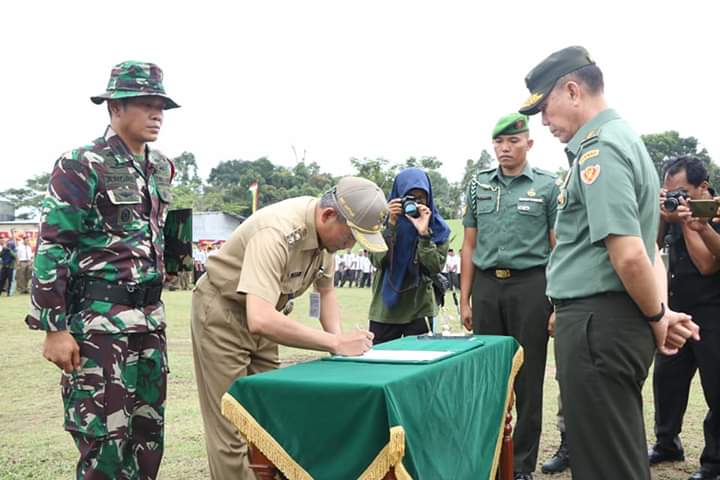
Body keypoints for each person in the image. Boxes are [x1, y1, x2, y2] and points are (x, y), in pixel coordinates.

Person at [519, 45, 699, 480]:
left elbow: (630, 252)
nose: (543, 121)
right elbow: (648, 248)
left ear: (573, 90)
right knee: (613, 452)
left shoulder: (601, 150)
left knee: (605, 465)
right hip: (608, 321)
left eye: (545, 107)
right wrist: (659, 314)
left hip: (599, 324)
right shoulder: (626, 141)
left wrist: (658, 314)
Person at [25, 61, 178, 479]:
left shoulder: (161, 167)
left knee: (148, 437)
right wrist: (54, 328)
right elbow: (55, 244)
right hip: (99, 326)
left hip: (150, 323)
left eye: (161, 105)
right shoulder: (81, 164)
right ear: (114, 108)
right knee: (104, 444)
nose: (157, 114)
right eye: (145, 104)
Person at [191, 176, 387, 479]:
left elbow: (327, 292)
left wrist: (339, 340)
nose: (350, 246)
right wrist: (333, 343)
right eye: (351, 237)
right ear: (328, 216)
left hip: (270, 318)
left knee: (269, 420)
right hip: (224, 316)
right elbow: (260, 318)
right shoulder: (278, 232)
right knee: (231, 424)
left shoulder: (327, 240)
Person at [460, 112, 558, 479]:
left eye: (513, 141)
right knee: (487, 376)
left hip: (531, 287)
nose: (505, 148)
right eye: (499, 142)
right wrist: (465, 298)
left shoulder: (548, 186)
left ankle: (520, 465)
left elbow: (557, 247)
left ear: (529, 144)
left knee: (529, 379)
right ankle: (488, 458)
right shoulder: (478, 185)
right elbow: (469, 245)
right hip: (487, 287)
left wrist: (557, 303)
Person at [648, 155, 720, 480]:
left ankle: (714, 462)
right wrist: (665, 217)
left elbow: (707, 265)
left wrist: (688, 223)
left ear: (702, 187)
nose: (677, 198)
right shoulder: (675, 212)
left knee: (716, 387)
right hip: (678, 308)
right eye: (669, 192)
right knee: (666, 379)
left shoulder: (714, 211)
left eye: (682, 192)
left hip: (712, 312)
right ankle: (667, 443)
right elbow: (653, 245)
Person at [368, 167, 449, 344]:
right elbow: (376, 261)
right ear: (398, 195)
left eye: (421, 197)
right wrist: (390, 226)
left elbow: (434, 267)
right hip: (385, 309)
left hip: (420, 307)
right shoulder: (381, 222)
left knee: (421, 362)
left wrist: (424, 234)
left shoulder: (438, 228)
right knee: (381, 363)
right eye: (409, 197)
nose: (415, 203)